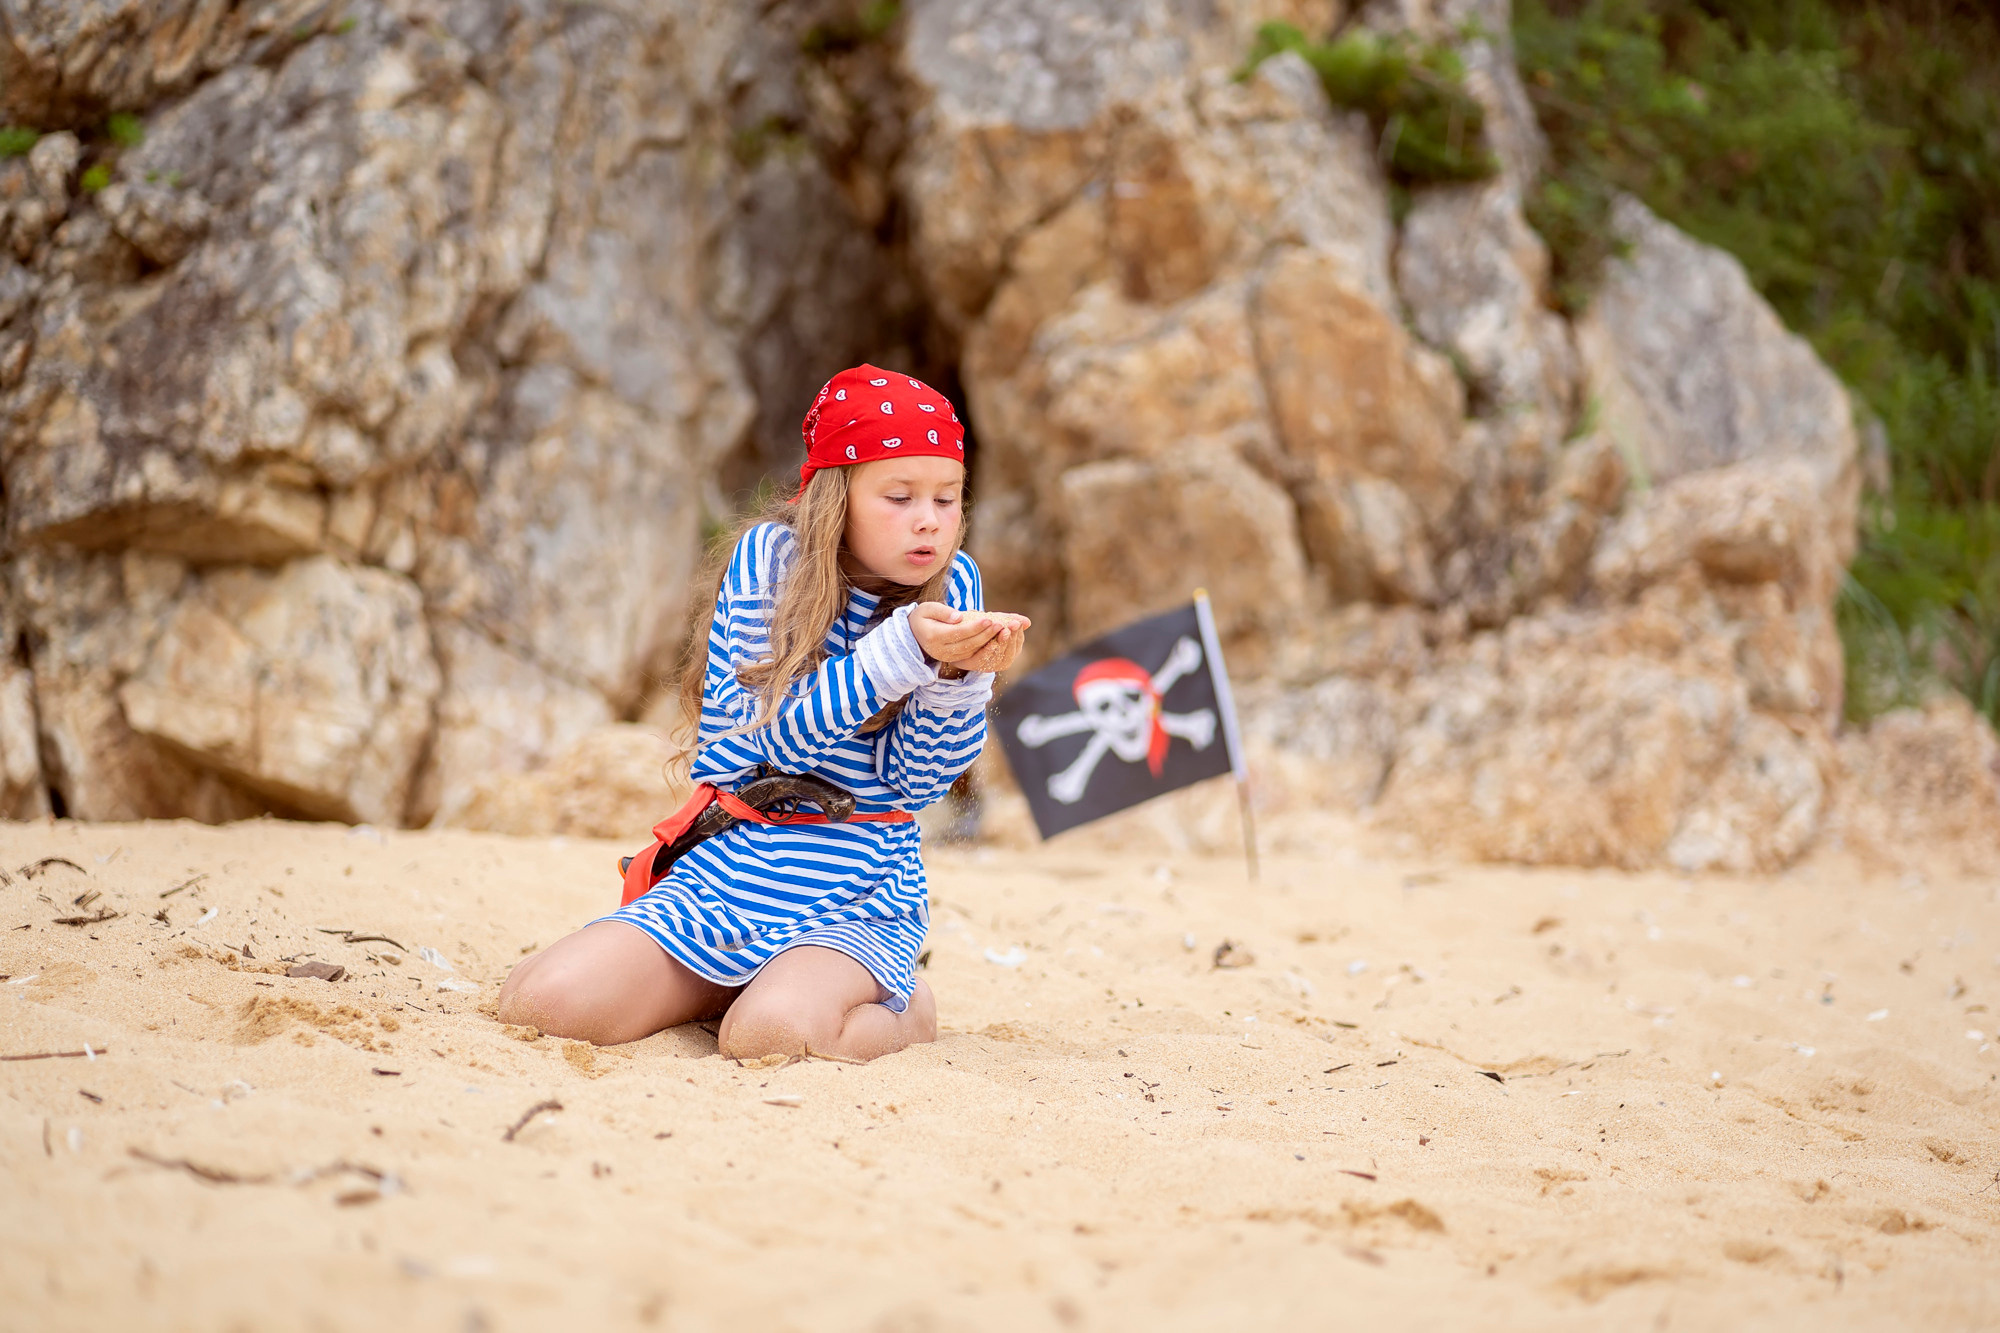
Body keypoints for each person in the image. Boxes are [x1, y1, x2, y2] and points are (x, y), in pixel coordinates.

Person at [497, 365, 1028, 1062]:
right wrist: (900, 653)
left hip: (856, 893)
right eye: (899, 496)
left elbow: (917, 782)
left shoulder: (953, 582)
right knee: (540, 1001)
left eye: (948, 497)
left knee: (766, 1037)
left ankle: (906, 1008)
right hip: (733, 871)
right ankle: (732, 983)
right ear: (837, 495)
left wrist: (960, 677)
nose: (929, 519)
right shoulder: (772, 559)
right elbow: (757, 747)